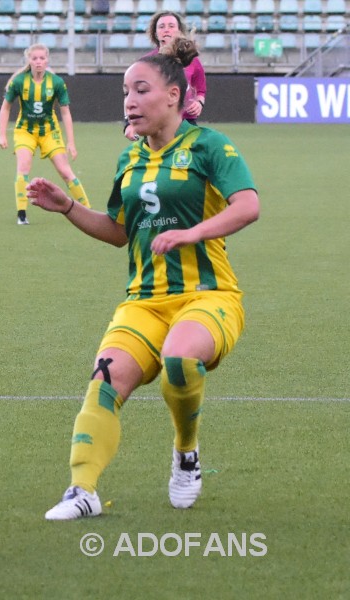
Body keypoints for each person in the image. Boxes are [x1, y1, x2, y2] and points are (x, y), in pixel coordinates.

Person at [28, 37, 260, 520]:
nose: (129, 101)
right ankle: (83, 490)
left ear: (173, 96)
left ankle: (186, 453)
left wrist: (190, 233)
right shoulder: (128, 158)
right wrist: (68, 207)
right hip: (143, 301)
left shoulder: (209, 145)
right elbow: (118, 232)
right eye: (124, 93)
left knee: (179, 357)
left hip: (208, 295)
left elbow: (248, 206)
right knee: (104, 380)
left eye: (140, 90)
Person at [0, 43, 89, 226]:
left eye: (42, 58)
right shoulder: (19, 82)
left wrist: (71, 142)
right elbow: (5, 108)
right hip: (25, 131)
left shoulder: (56, 82)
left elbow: (65, 112)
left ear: (47, 60)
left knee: (65, 171)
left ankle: (87, 209)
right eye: (34, 58)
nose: (38, 62)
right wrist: (2, 134)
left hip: (49, 131)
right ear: (29, 61)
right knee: (23, 167)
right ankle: (22, 214)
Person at [124, 11, 206, 142]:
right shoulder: (147, 62)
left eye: (171, 26)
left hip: (187, 124)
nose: (166, 30)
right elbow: (132, 94)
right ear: (155, 33)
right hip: (156, 125)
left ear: (179, 30)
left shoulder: (191, 60)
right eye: (161, 26)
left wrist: (199, 102)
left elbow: (200, 89)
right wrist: (129, 124)